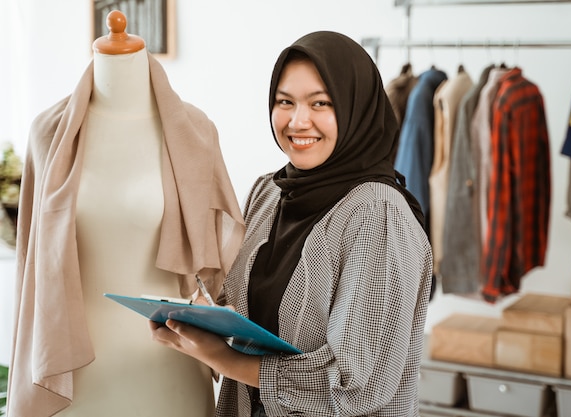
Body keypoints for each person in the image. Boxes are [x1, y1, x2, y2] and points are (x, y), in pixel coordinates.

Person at [151, 30, 433, 416]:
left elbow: (356, 384)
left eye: (321, 103)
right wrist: (207, 318)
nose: (298, 121)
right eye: (285, 102)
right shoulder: (268, 193)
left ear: (355, 110)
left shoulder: (378, 213)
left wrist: (223, 358)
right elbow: (259, 310)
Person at [7, 10, 245, 417]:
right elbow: (30, 267)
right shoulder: (46, 133)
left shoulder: (195, 131)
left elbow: (225, 263)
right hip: (74, 370)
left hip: (169, 365)